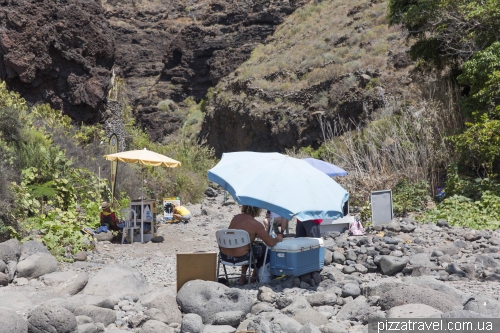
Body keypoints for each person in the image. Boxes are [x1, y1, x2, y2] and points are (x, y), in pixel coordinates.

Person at [220, 205, 283, 285]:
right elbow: (270, 242)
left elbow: (235, 235)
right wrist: (278, 238)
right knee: (263, 249)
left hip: (226, 255)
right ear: (257, 210)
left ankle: (242, 278)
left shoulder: (235, 218)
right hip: (242, 256)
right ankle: (253, 278)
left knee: (246, 246)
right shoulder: (256, 224)